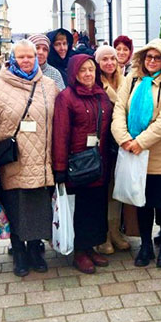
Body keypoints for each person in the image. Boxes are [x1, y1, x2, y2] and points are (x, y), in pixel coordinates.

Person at [0, 39, 58, 277]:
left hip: (43, 160)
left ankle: (36, 250)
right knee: (15, 207)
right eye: (21, 57)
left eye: (30, 56)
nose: (26, 60)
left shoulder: (48, 85)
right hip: (13, 161)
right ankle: (19, 252)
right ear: (12, 59)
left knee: (38, 208)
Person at [112, 38, 161, 268]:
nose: (152, 61)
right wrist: (124, 139)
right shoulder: (131, 80)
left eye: (157, 57)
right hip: (133, 152)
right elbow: (119, 111)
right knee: (141, 204)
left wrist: (141, 142)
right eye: (148, 57)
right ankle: (145, 246)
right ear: (142, 58)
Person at [52, 54, 114, 273]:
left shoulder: (101, 96)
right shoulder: (66, 98)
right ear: (74, 73)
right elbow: (60, 134)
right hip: (77, 165)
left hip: (99, 161)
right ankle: (79, 251)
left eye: (91, 70)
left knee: (96, 207)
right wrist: (59, 168)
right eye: (83, 71)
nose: (88, 74)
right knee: (79, 209)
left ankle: (91, 246)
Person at [93, 45, 131, 254]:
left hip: (121, 143)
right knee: (103, 190)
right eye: (104, 59)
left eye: (112, 59)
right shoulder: (96, 83)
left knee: (117, 190)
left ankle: (115, 231)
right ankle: (103, 235)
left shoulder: (124, 81)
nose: (109, 63)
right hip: (103, 144)